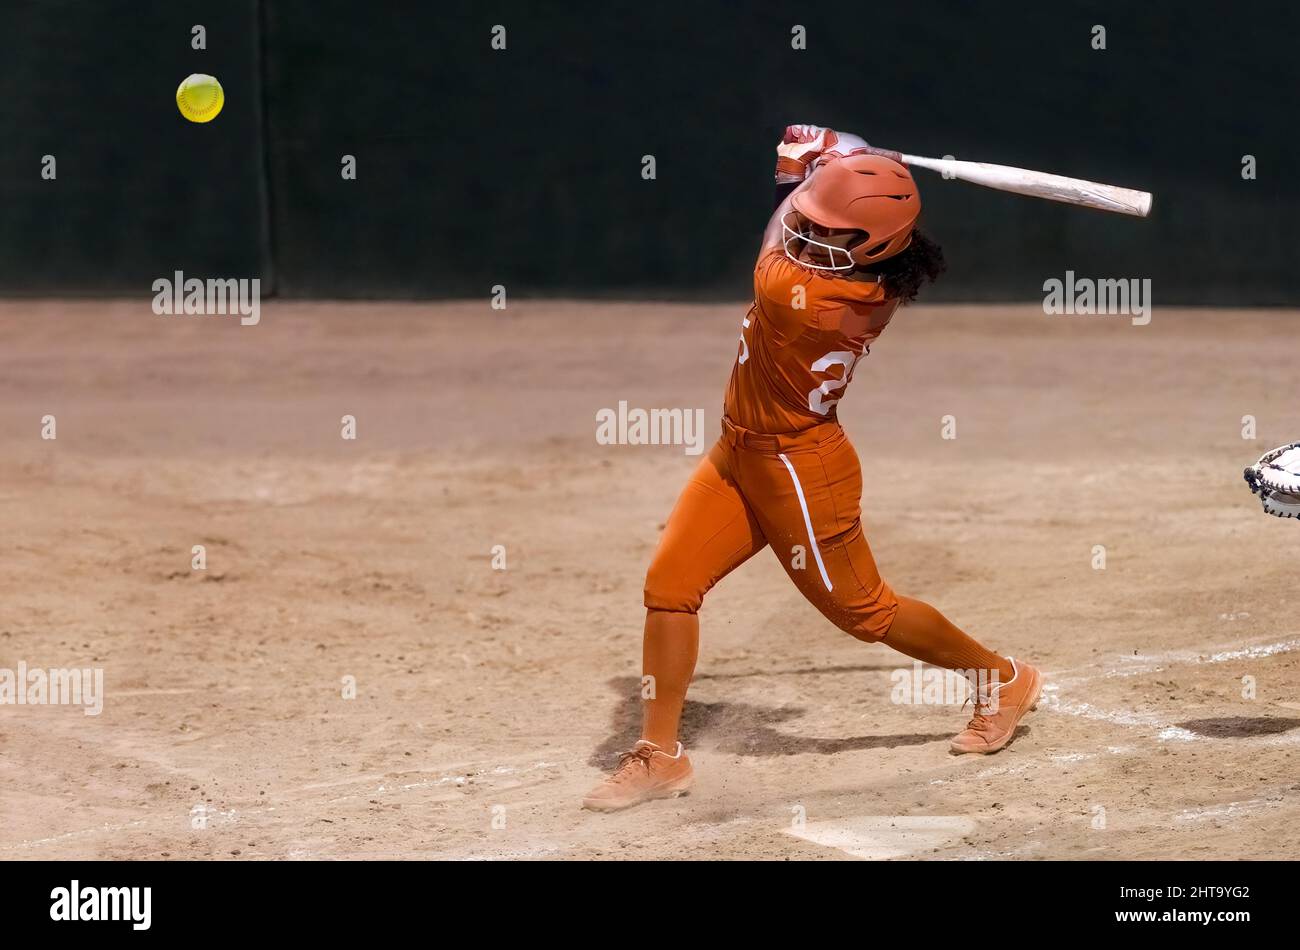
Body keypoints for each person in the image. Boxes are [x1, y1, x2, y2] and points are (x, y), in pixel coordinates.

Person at [583, 126, 1042, 812]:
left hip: (801, 469)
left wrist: (812, 159)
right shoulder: (853, 268)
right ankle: (660, 754)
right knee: (669, 586)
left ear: (876, 248)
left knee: (865, 613)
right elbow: (798, 207)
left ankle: (1002, 676)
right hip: (739, 452)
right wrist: (831, 168)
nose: (806, 235)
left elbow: (777, 223)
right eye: (812, 224)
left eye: (828, 232)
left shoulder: (808, 299)